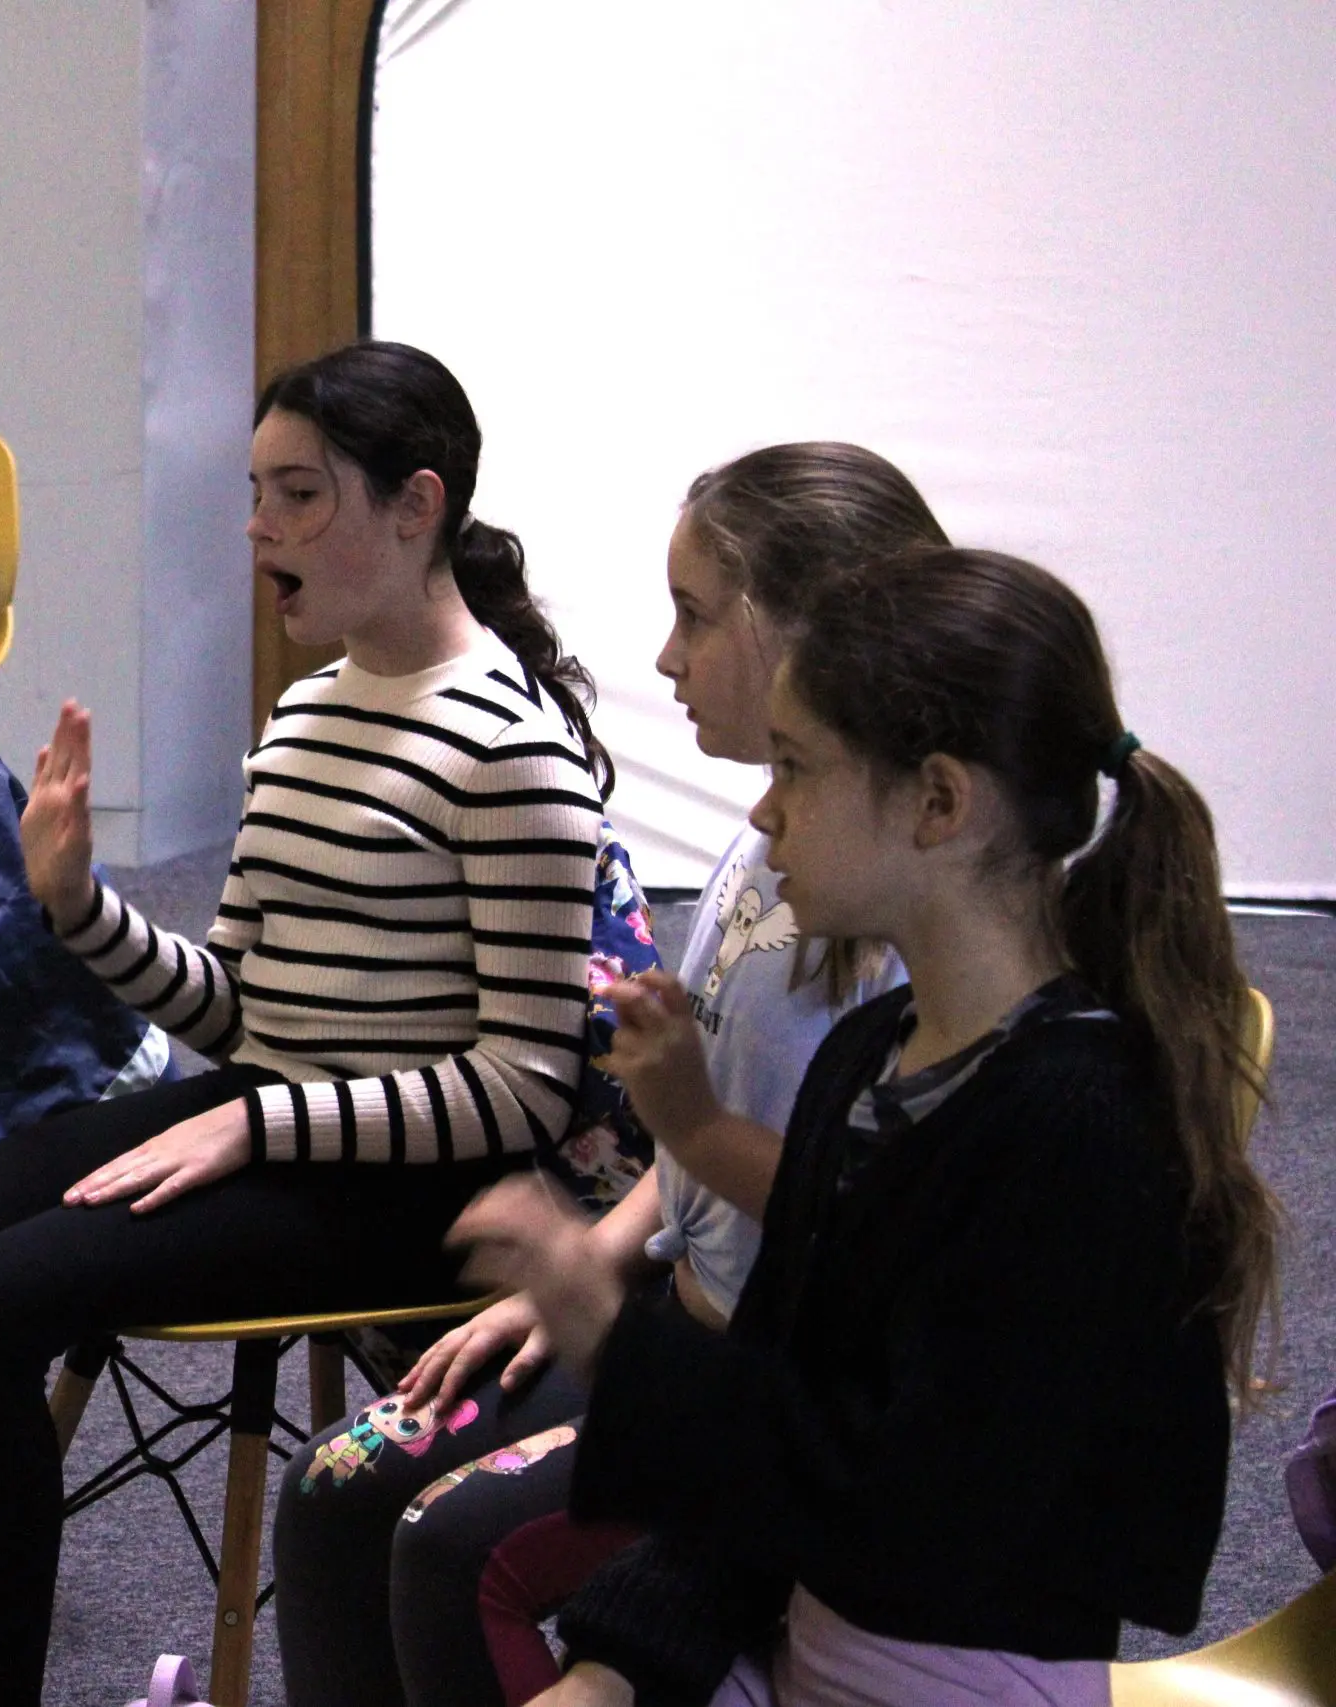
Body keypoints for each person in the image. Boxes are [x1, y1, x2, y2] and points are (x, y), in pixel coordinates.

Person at [0, 340, 612, 1707]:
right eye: (253, 493)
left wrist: (262, 1122)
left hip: (407, 1185)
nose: (257, 529)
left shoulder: (510, 748)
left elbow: (523, 1087)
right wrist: (79, 908)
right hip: (263, 1116)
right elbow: (238, 999)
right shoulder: (304, 713)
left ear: (416, 507)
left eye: (298, 494)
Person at [464, 547, 1277, 1706]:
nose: (762, 809)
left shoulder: (1078, 1130)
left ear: (938, 802)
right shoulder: (870, 1052)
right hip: (819, 1637)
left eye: (795, 768)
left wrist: (619, 1342)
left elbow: (912, 1513)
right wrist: (618, 1664)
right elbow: (785, 1423)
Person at [273, 442, 946, 1707]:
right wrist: (581, 1273)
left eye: (695, 616)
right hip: (673, 1312)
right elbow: (697, 1157)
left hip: (773, 1385)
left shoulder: (893, 905)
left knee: (449, 1548)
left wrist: (668, 1167)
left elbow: (871, 1226)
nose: (665, 658)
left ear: (814, 633)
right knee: (334, 1488)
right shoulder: (769, 838)